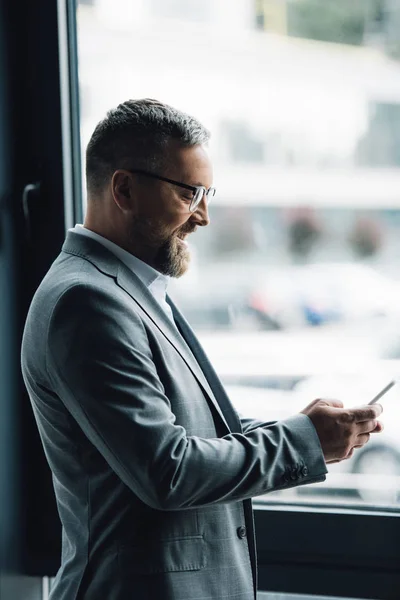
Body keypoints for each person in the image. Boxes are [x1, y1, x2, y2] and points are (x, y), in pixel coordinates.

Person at [21, 99, 383, 600]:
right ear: (124, 188)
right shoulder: (86, 302)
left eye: (205, 193)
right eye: (190, 193)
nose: (204, 216)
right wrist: (303, 442)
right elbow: (168, 470)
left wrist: (302, 428)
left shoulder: (130, 289)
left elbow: (192, 435)